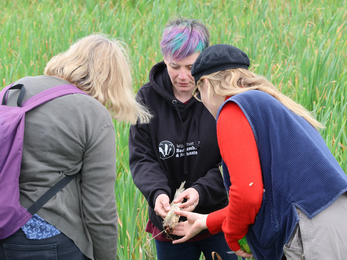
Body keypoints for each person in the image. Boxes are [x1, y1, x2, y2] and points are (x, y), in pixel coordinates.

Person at [170, 44, 347, 260]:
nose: (202, 101)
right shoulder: (269, 104)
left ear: (205, 83)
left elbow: (247, 194)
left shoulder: (232, 108)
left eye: (198, 93)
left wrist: (232, 236)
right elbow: (266, 197)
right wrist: (207, 222)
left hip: (312, 230)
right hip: (332, 221)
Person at [0, 34, 151, 260]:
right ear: (113, 81)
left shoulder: (15, 89)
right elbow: (99, 209)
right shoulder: (92, 114)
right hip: (47, 239)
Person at [128, 19, 237, 260]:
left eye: (191, 66)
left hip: (216, 219)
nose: (183, 76)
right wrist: (158, 194)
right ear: (164, 59)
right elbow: (142, 158)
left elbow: (233, 161)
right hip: (170, 225)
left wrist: (200, 191)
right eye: (174, 66)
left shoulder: (222, 97)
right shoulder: (146, 99)